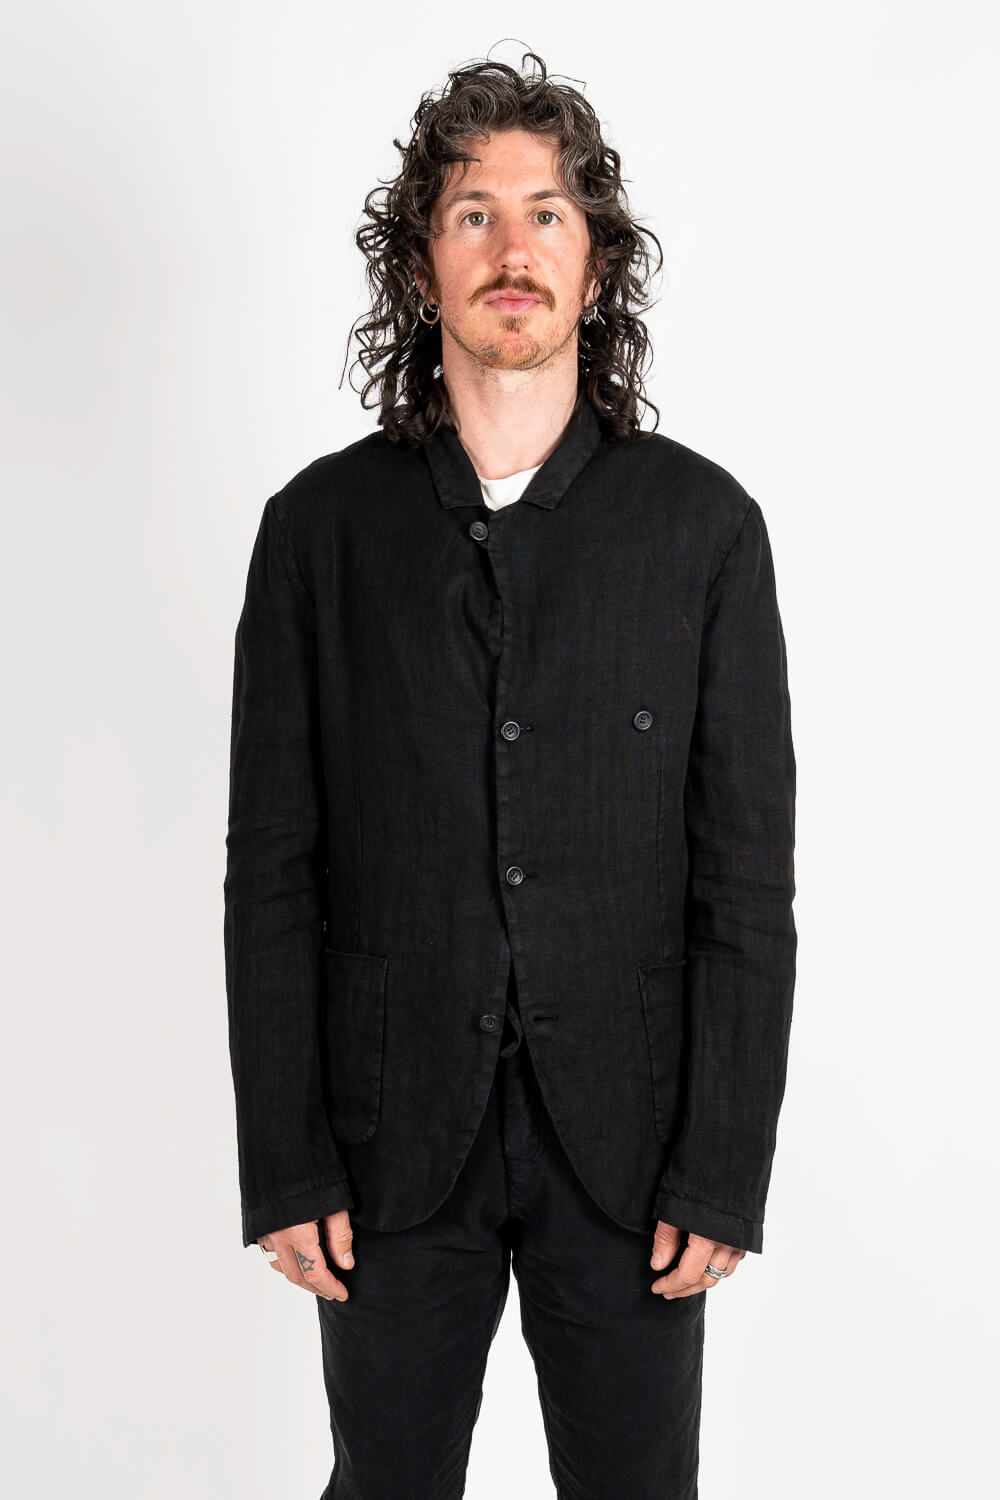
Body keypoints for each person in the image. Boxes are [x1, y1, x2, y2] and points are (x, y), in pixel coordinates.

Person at [224, 47, 796, 1500]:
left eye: (547, 213)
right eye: (473, 214)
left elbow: (744, 878)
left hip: (637, 1144)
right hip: (386, 1136)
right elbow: (272, 869)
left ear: (596, 266)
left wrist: (724, 1163)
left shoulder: (705, 531)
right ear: (423, 265)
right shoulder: (319, 533)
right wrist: (285, 1158)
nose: (512, 248)